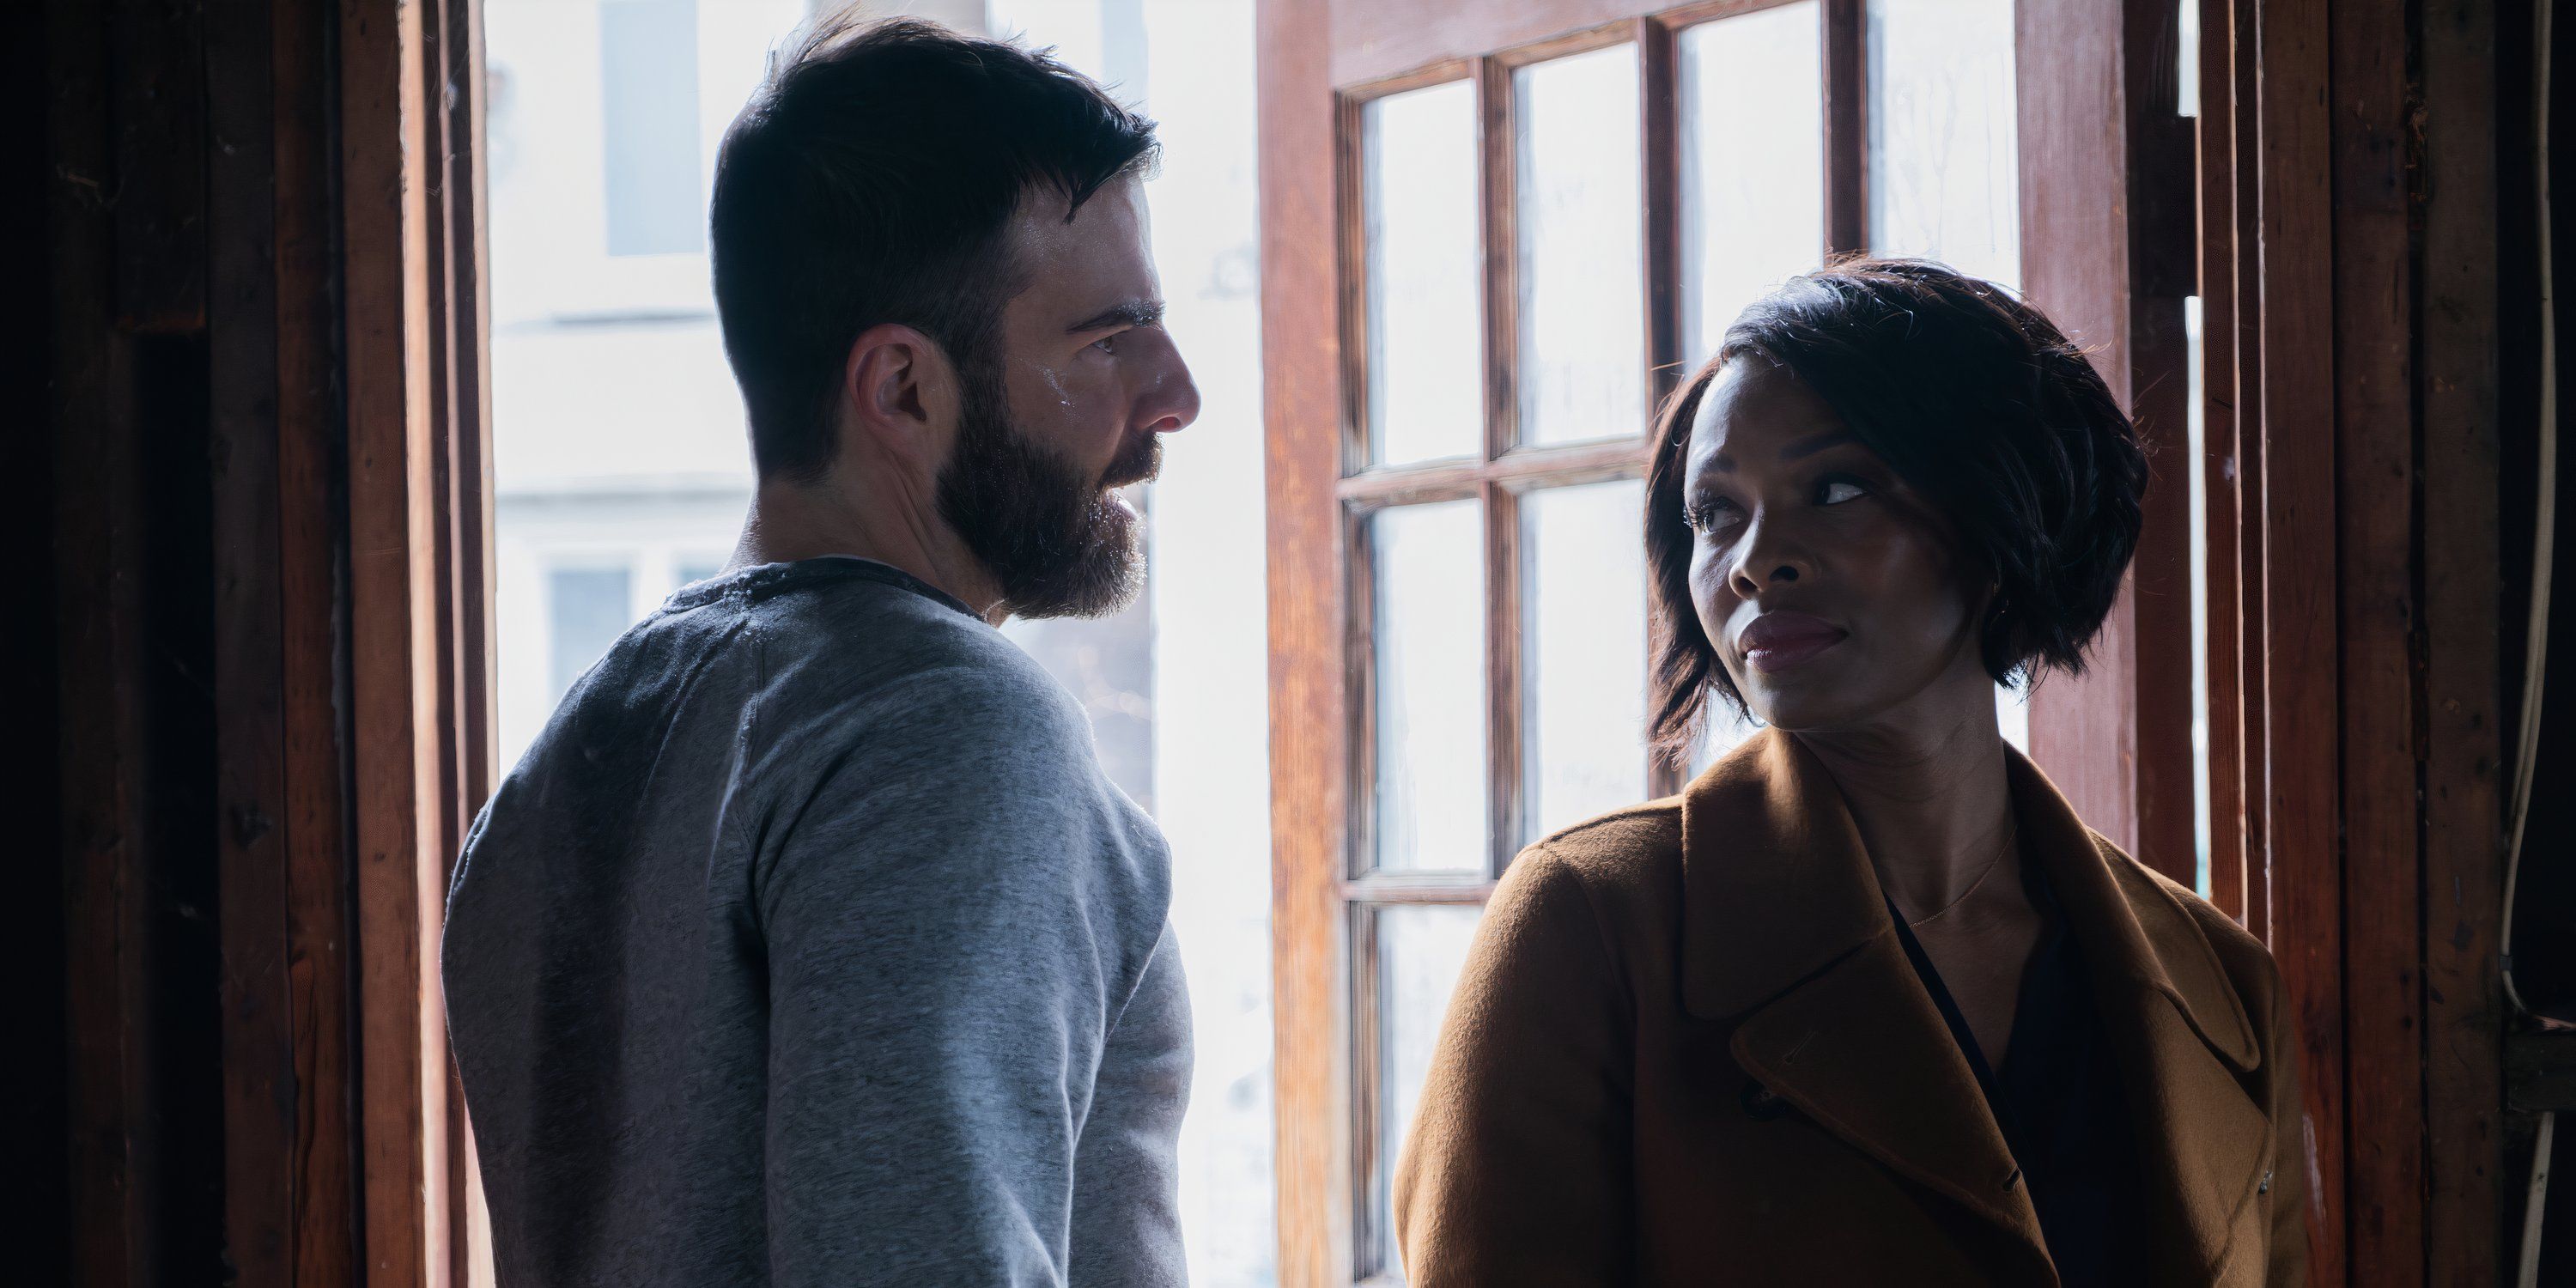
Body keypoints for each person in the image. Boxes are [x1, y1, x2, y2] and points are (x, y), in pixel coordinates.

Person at [441, 15, 1201, 1287]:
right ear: (904, 390)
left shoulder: (572, 750)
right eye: (1106, 339)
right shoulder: (948, 730)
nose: (1174, 394)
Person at [1393, 259, 2307, 1286]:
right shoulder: (1594, 928)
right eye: (1715, 514)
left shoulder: (2221, 985)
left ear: (2003, 514)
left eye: (1834, 489)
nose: (1753, 560)